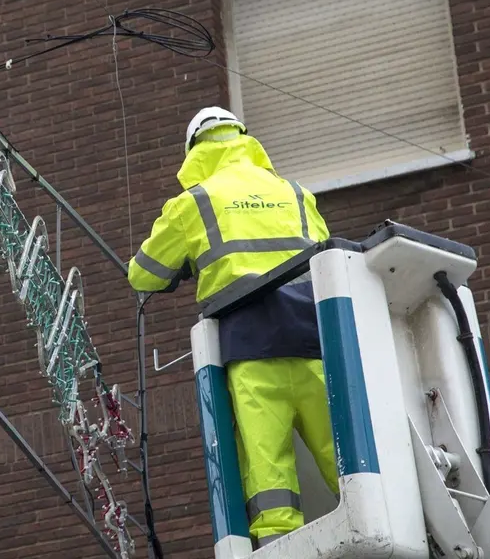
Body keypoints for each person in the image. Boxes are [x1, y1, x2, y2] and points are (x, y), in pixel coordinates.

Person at [127, 106, 338, 547]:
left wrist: (185, 265)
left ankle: (280, 547)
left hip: (251, 345)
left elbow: (144, 274)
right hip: (315, 341)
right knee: (345, 456)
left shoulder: (195, 202)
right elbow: (327, 259)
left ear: (194, 152)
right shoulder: (296, 193)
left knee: (268, 471)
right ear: (244, 139)